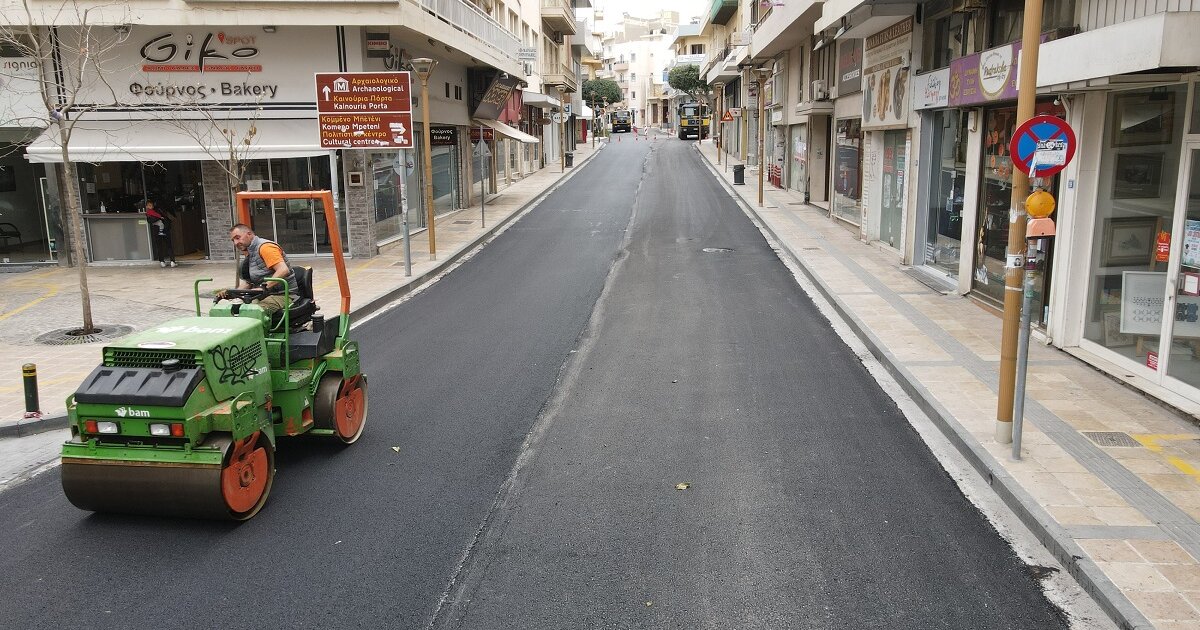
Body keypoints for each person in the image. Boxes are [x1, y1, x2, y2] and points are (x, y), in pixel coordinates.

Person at [217, 224, 295, 314]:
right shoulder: (250, 252)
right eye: (233, 240)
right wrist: (233, 293)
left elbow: (283, 270)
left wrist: (263, 287)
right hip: (263, 295)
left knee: (253, 312)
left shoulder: (266, 247)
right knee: (231, 310)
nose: (235, 243)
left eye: (237, 238)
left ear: (249, 234)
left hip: (283, 295)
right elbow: (248, 282)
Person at [145, 200, 176, 267]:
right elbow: (165, 218)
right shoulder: (159, 210)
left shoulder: (149, 213)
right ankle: (172, 261)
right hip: (165, 229)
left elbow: (149, 221)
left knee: (159, 246)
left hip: (156, 230)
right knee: (168, 245)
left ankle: (162, 261)